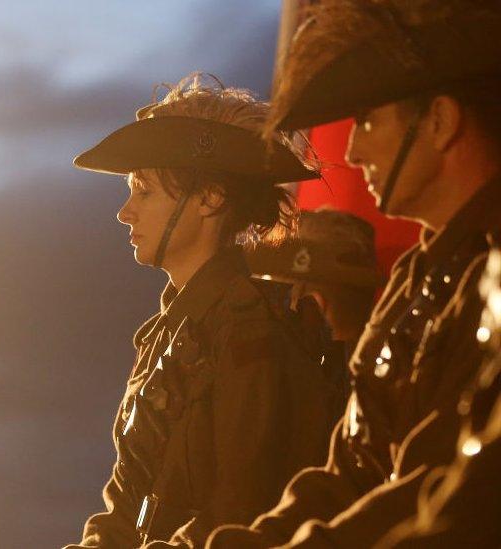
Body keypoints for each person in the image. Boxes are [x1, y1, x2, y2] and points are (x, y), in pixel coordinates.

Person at [207, 1, 501, 547]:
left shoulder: (484, 272)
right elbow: (348, 477)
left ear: (439, 121)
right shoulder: (417, 278)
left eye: (367, 120)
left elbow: (440, 490)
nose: (352, 148)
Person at [65, 74, 334, 548]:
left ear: (211, 197)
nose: (125, 212)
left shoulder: (247, 328)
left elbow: (240, 510)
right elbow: (126, 502)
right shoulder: (164, 334)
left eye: (144, 190)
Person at [246, 208, 382, 414]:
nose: (264, 312)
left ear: (314, 307)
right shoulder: (385, 392)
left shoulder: (291, 408)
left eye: (275, 296)